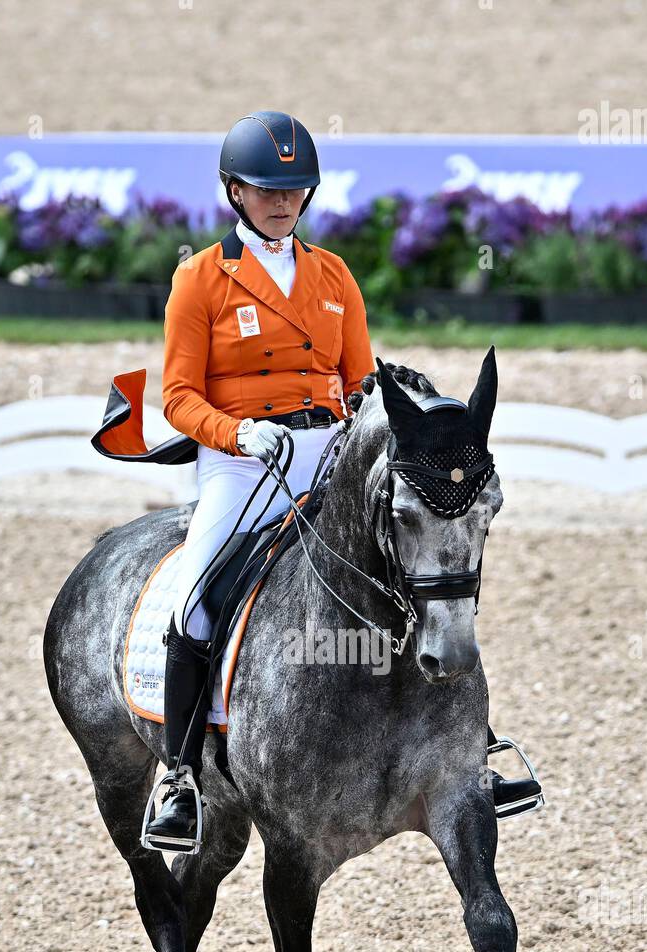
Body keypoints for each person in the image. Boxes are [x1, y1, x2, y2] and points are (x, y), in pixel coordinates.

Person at [145, 111, 538, 853]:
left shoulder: (332, 277)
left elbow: (360, 379)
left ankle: (475, 744)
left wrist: (393, 408)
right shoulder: (200, 278)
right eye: (266, 190)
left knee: (414, 564)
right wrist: (239, 433)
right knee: (194, 596)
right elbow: (176, 398)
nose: (281, 202)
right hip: (242, 460)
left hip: (330, 452)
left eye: (294, 190)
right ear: (234, 191)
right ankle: (178, 778)